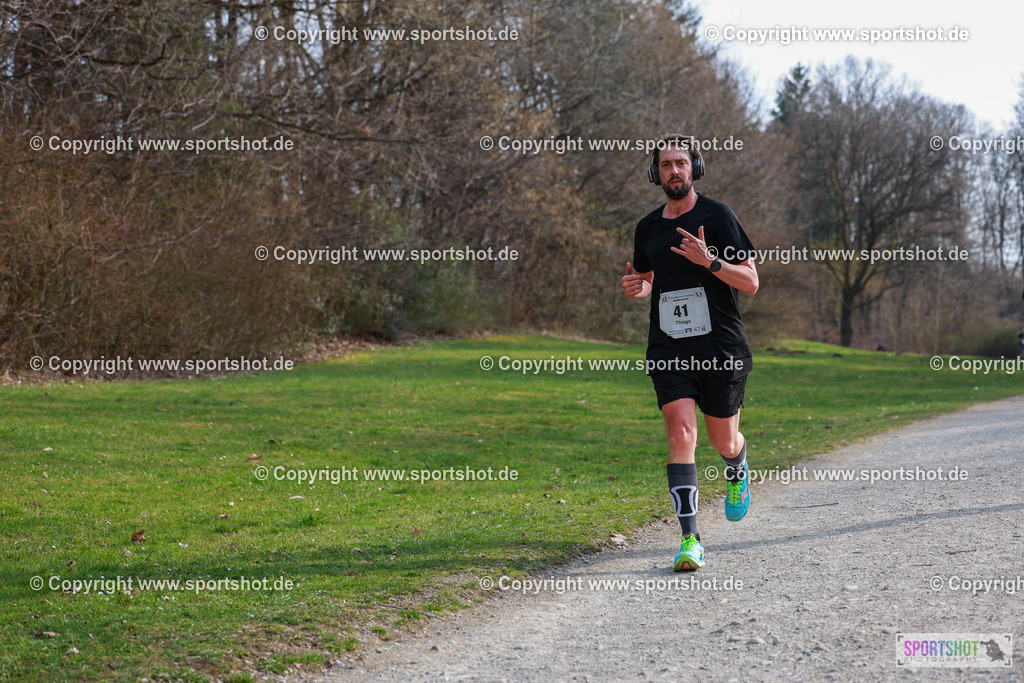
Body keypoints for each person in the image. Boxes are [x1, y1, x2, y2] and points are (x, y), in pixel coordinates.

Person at [622, 133, 759, 571]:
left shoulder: (718, 217)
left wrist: (710, 263)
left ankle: (737, 463)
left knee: (722, 438)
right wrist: (636, 287)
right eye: (665, 165)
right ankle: (690, 540)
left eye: (681, 163)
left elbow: (751, 282)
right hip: (670, 346)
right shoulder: (648, 227)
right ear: (655, 173)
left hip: (719, 346)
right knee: (681, 433)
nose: (674, 171)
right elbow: (644, 280)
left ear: (695, 168)